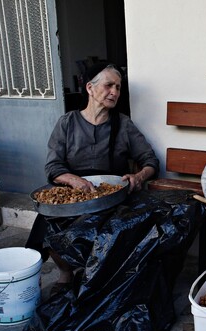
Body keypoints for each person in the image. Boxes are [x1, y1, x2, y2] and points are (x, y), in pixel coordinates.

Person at [26, 62, 159, 294]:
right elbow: (53, 166)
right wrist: (74, 181)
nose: (115, 92)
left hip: (111, 196)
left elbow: (150, 160)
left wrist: (138, 176)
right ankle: (65, 272)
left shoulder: (123, 125)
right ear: (90, 88)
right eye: (109, 85)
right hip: (73, 192)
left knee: (115, 227)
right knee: (45, 223)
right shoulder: (67, 123)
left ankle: (98, 276)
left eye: (118, 87)